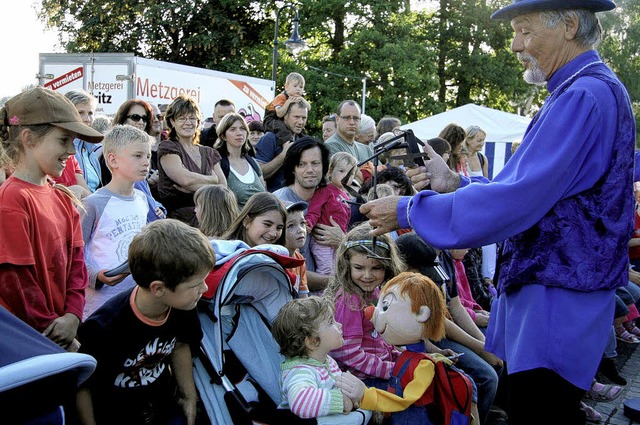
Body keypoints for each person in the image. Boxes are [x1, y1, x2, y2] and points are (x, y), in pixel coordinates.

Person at [361, 1, 636, 423]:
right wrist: (456, 184)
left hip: (556, 291)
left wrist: (410, 210)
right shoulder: (587, 88)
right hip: (561, 288)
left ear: (568, 24)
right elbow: (540, 190)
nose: (514, 45)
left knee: (539, 409)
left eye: (524, 30)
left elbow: (520, 199)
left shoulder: (582, 94)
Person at [76, 219, 215, 425]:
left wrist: (188, 397)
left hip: (160, 406)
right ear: (158, 288)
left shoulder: (183, 306)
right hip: (116, 414)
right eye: (195, 284)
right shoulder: (104, 328)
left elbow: (180, 345)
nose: (204, 289)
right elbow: (84, 386)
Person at [0, 87, 103, 350]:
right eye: (63, 140)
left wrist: (72, 316)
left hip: (60, 332)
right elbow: (14, 281)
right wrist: (54, 331)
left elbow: (77, 265)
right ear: (28, 138)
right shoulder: (12, 199)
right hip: (30, 340)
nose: (71, 150)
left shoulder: (61, 195)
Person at [396, 233, 503, 424]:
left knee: (498, 355)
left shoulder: (444, 257)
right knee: (486, 378)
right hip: (432, 336)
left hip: (436, 333)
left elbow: (452, 306)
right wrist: (481, 347)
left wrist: (484, 343)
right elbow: (436, 320)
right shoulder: (399, 282)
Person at [80, 125, 153, 318]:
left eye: (148, 156)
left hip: (135, 298)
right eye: (138, 156)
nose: (146, 162)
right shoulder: (93, 203)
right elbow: (75, 253)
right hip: (100, 304)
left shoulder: (141, 199)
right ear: (113, 160)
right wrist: (96, 275)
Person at [324, 223, 405, 389]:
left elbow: (380, 342)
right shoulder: (349, 301)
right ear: (347, 266)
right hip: (362, 381)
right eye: (359, 268)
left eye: (376, 268)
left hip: (377, 370)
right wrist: (393, 370)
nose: (367, 276)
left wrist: (404, 359)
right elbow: (347, 352)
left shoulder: (375, 293)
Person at [271, 296, 372, 422]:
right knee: (364, 414)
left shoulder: (326, 360)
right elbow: (301, 402)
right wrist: (342, 401)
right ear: (313, 341)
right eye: (331, 322)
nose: (339, 325)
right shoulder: (300, 371)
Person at [273, 137, 344, 292]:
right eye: (302, 164)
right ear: (293, 168)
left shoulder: (335, 199)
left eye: (315, 163)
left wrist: (342, 240)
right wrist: (340, 281)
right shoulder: (279, 202)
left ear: (325, 167)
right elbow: (290, 268)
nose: (310, 169)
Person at [157, 94, 226, 226]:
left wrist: (193, 187)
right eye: (181, 118)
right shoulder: (168, 147)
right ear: (172, 121)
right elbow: (185, 180)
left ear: (198, 121)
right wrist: (212, 180)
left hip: (211, 219)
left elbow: (223, 189)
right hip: (180, 223)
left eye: (192, 118)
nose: (188, 123)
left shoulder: (209, 152)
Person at [111, 99, 167, 223]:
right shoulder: (114, 149)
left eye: (145, 118)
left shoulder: (143, 146)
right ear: (123, 119)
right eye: (136, 117)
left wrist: (158, 207)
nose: (141, 122)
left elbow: (145, 192)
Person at [306, 152, 357, 275]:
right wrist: (308, 223)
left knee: (338, 270)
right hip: (322, 240)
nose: (346, 176)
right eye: (341, 171)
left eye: (350, 173)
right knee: (326, 270)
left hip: (337, 239)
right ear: (330, 172)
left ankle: (334, 293)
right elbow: (314, 209)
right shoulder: (326, 190)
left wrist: (344, 236)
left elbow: (345, 220)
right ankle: (322, 293)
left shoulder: (346, 195)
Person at [255, 98, 309, 192]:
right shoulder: (270, 138)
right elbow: (258, 173)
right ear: (285, 116)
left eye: (304, 118)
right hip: (275, 201)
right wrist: (283, 156)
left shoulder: (302, 140)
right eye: (296, 117)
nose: (301, 122)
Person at [214, 112, 266, 208]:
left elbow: (265, 194)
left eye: (242, 129)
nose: (239, 133)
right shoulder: (218, 163)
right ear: (223, 136)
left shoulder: (253, 162)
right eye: (233, 129)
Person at [325, 100, 373, 185]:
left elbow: (380, 174)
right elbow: (345, 180)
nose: (352, 122)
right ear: (337, 119)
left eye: (356, 118)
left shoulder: (366, 149)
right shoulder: (330, 146)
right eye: (347, 117)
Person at [65, 90, 102, 193]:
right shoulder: (64, 149)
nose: (87, 119)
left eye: (90, 113)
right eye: (81, 113)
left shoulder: (92, 149)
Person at [263, 72, 311, 146]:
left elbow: (309, 107)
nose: (298, 89)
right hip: (272, 119)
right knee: (282, 129)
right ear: (286, 86)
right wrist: (287, 103)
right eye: (295, 86)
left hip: (282, 119)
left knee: (302, 132)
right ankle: (288, 144)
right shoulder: (281, 97)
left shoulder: (298, 98)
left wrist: (302, 99)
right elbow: (279, 114)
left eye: (301, 87)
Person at [222, 191, 287, 247]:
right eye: (267, 224)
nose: (273, 234)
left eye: (279, 228)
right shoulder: (223, 252)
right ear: (246, 221)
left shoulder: (280, 254)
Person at [284, 201, 310, 298]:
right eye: (291, 226)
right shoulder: (274, 260)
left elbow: (303, 299)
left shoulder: (299, 259)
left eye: (302, 223)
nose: (300, 230)